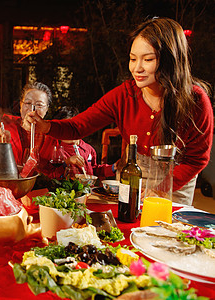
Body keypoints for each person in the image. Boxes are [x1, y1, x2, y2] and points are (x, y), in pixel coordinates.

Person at [25, 18, 213, 205]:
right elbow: (78, 126)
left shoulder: (195, 100)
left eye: (148, 59)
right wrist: (45, 126)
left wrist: (160, 190)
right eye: (132, 59)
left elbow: (197, 159)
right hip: (132, 175)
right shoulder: (125, 95)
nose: (137, 68)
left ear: (170, 60)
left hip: (175, 182)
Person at [52, 106, 116, 179]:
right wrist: (67, 161)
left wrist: (113, 168)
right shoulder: (57, 152)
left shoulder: (89, 149)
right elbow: (53, 174)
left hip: (89, 188)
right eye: (65, 129)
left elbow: (94, 170)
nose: (70, 133)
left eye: (72, 127)